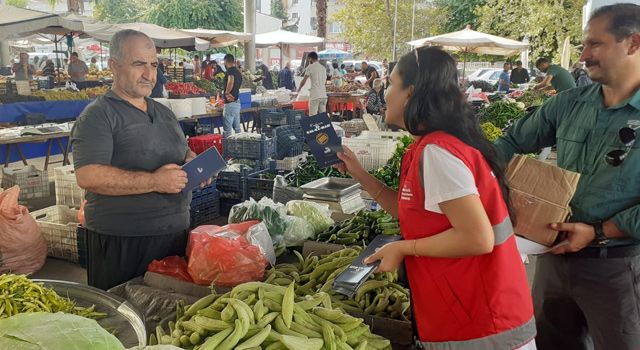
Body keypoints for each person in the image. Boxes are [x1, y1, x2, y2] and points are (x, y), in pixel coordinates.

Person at [336, 46, 536, 349]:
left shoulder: (438, 153)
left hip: (482, 325)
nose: (384, 91)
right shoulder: (431, 147)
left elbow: (478, 237)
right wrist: (360, 174)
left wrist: (404, 248)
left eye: (391, 82)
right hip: (473, 314)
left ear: (410, 93)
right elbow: (411, 212)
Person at [495, 4, 640, 349]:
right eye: (583, 45)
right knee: (550, 343)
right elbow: (509, 142)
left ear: (633, 42)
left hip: (617, 268)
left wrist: (598, 232)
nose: (584, 55)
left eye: (595, 44)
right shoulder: (570, 103)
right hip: (554, 261)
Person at [71, 29, 208, 290]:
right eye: (139, 64)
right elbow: (88, 176)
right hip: (122, 242)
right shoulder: (98, 116)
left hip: (174, 234)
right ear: (113, 65)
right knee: (125, 319)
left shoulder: (163, 111)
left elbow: (180, 152)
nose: (149, 74)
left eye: (154, 65)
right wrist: (155, 182)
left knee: (170, 321)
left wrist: (192, 163)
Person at [297, 52, 328, 116]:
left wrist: (299, 89)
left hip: (315, 96)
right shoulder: (323, 68)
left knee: (312, 117)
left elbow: (303, 81)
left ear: (310, 58)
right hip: (323, 95)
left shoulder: (310, 67)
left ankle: (314, 126)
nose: (309, 61)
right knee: (323, 116)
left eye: (309, 59)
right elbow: (325, 82)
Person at [222, 54, 243, 136]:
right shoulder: (238, 72)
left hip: (230, 103)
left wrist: (227, 92)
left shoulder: (230, 71)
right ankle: (240, 145)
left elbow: (231, 81)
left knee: (227, 130)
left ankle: (228, 148)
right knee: (237, 129)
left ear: (226, 61)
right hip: (237, 102)